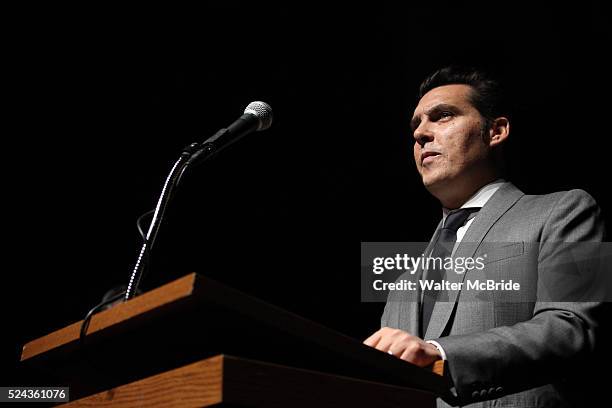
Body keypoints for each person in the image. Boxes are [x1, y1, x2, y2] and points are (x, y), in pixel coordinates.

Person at [363, 66, 606, 407]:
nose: (421, 134)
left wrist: (441, 354)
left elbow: (574, 328)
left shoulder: (567, 210)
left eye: (442, 116)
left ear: (496, 130)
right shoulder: (402, 280)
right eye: (416, 125)